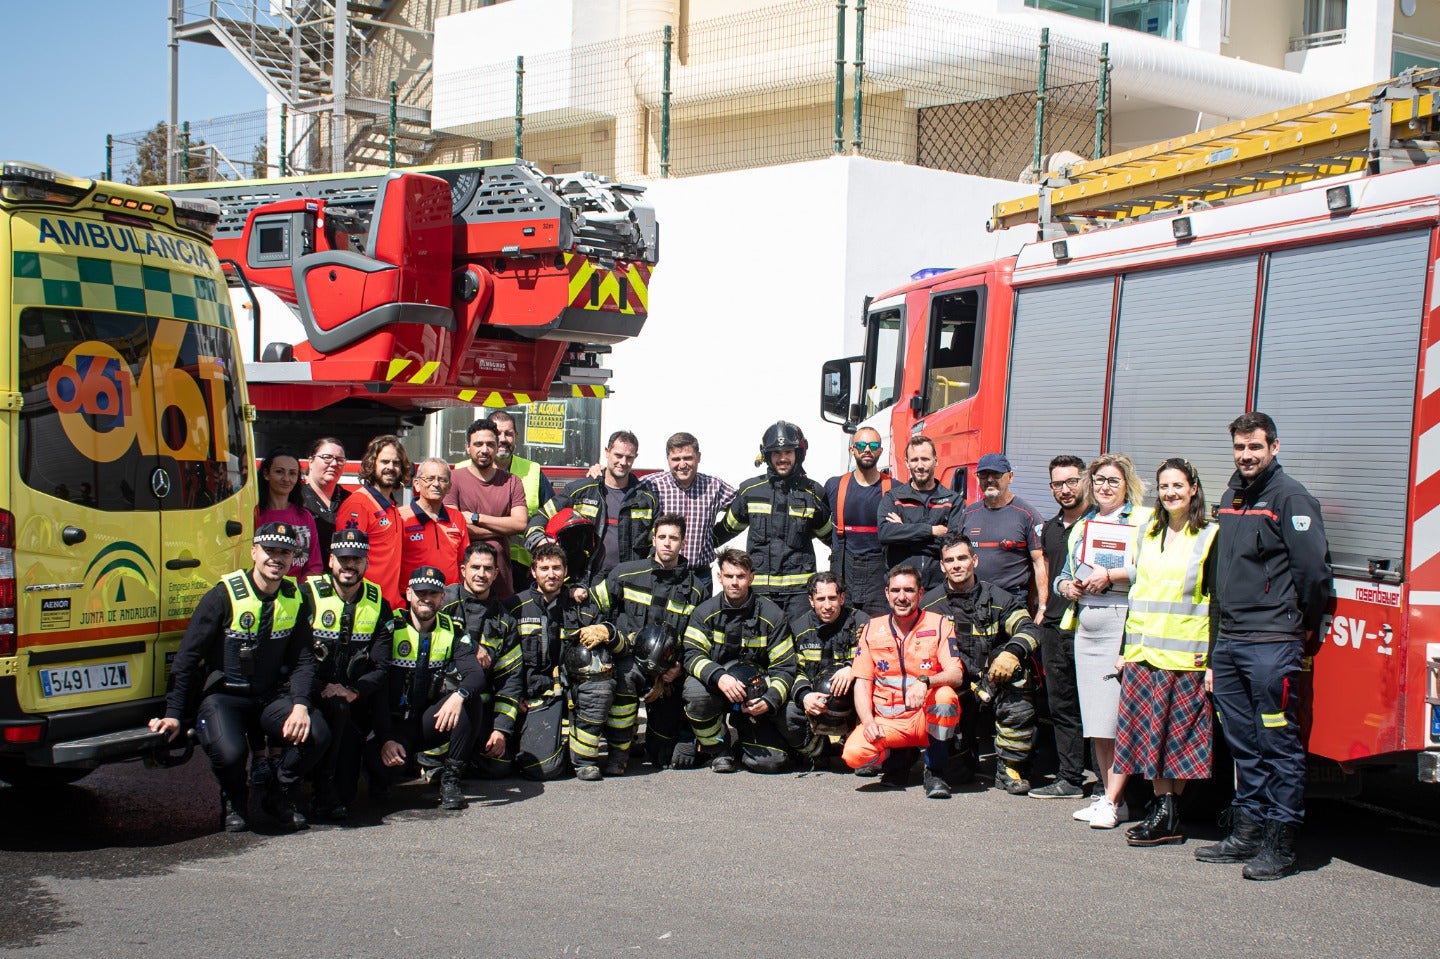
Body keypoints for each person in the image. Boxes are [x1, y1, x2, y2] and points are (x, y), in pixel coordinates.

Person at [1198, 412, 1330, 881]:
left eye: (1255, 447)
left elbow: (1313, 573)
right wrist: (1215, 646)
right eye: (1239, 447)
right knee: (1242, 743)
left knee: (1277, 743)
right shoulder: (1233, 496)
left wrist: (1301, 625)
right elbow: (1217, 578)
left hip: (1272, 643)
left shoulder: (1289, 497)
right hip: (1231, 643)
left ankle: (1281, 841)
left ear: (1274, 447)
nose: (1246, 456)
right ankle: (1248, 831)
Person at [149, 522, 329, 832]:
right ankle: (235, 798)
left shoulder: (294, 597)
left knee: (316, 733)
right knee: (230, 754)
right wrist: (174, 714)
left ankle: (276, 793)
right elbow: (188, 658)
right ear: (254, 552)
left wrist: (300, 705)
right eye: (270, 551)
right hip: (225, 696)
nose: (277, 559)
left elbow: (303, 660)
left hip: (269, 696)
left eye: (285, 553)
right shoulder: (223, 595)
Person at [1109, 458, 1218, 847]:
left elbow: (1218, 602)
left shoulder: (1209, 536)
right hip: (1143, 654)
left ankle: (1168, 812)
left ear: (1193, 488)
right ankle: (1165, 809)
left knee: (1179, 739)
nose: (1170, 493)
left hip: (1186, 657)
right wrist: (1124, 648)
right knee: (1149, 736)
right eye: (1164, 486)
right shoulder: (1148, 533)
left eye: (1178, 486)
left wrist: (1214, 661)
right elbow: (1139, 596)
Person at [1055, 453, 1150, 829]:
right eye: (1098, 481)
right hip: (1087, 625)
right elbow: (1064, 574)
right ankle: (1111, 798)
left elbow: (1151, 569)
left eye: (1113, 480)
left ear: (1127, 484)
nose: (1105, 487)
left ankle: (1112, 800)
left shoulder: (1142, 521)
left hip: (1119, 621)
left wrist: (1110, 576)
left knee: (1115, 719)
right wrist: (1070, 587)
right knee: (1096, 722)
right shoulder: (1085, 524)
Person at [922, 532, 1042, 794]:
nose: (957, 565)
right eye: (950, 560)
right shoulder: (930, 606)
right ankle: (942, 764)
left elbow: (1030, 629)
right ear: (942, 566)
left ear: (974, 560)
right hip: (956, 688)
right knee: (959, 773)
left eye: (962, 558)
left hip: (993, 682)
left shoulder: (999, 599)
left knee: (1020, 677)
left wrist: (1011, 653)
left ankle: (1010, 768)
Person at [589, 513, 704, 771]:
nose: (667, 543)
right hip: (630, 661)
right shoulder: (626, 573)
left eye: (673, 538)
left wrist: (680, 667)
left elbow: (698, 637)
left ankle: (668, 738)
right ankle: (619, 753)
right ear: (653, 539)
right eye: (662, 537)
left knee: (663, 755)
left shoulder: (696, 588)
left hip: (670, 671)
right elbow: (594, 606)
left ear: (683, 543)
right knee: (625, 677)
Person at [841, 564, 964, 798]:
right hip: (889, 722)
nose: (902, 597)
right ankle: (899, 757)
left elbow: (956, 674)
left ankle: (935, 771)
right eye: (895, 590)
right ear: (886, 593)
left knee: (946, 697)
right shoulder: (871, 629)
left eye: (909, 590)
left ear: (920, 593)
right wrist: (867, 722)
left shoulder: (939, 625)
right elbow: (862, 682)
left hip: (923, 720)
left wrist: (926, 681)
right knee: (854, 755)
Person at [504, 542, 620, 781]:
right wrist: (514, 697)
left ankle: (585, 760)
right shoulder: (516, 607)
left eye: (556, 568)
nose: (551, 574)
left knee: (602, 684)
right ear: (533, 571)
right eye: (544, 568)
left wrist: (605, 630)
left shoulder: (582, 606)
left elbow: (611, 638)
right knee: (545, 769)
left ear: (565, 571)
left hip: (575, 690)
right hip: (536, 694)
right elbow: (506, 660)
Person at [301, 528, 394, 821]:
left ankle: (334, 786)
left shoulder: (380, 604)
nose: (349, 566)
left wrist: (353, 691)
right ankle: (296, 787)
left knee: (347, 796)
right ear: (331, 561)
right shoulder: (306, 595)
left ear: (366, 563)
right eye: (343, 559)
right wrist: (319, 688)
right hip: (309, 692)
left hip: (352, 698)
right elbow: (292, 658)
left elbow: (381, 668)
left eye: (356, 559)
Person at [375, 566, 485, 811]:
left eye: (433, 593)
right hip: (388, 725)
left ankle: (451, 780)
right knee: (382, 778)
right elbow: (376, 687)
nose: (426, 598)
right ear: (409, 594)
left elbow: (475, 674)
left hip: (424, 722)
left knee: (470, 700)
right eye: (420, 592)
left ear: (442, 598)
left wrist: (459, 695)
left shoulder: (451, 629)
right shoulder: (390, 626)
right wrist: (385, 738)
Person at [680, 548, 796, 773]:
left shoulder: (773, 616)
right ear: (719, 576)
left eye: (741, 576)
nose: (735, 582)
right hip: (717, 688)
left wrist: (770, 701)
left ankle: (743, 745)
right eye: (730, 576)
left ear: (751, 577)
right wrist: (718, 676)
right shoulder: (704, 613)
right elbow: (691, 654)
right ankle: (718, 748)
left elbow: (785, 667)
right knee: (695, 693)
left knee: (771, 763)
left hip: (756, 698)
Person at [714, 421, 833, 625]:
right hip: (760, 592)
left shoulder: (813, 493)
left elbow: (832, 538)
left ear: (798, 454)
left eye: (788, 451)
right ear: (767, 456)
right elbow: (724, 531)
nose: (783, 458)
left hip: (799, 595)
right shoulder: (751, 492)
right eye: (776, 453)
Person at [1030, 454, 1093, 801]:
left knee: (1097, 707)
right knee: (1063, 706)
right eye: (1058, 483)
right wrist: (1041, 611)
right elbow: (1046, 572)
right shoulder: (1051, 529)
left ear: (1084, 481)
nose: (1065, 490)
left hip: (1093, 629)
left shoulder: (1101, 524)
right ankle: (1070, 778)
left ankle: (1105, 783)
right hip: (1055, 626)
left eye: (1072, 481)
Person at [526, 430, 658, 582]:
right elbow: (540, 516)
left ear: (635, 457)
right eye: (618, 455)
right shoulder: (582, 490)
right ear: (607, 452)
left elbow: (655, 544)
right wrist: (540, 543)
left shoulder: (646, 500)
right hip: (584, 585)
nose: (623, 462)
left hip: (627, 587)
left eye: (629, 458)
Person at [443, 543, 524, 778]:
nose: (481, 574)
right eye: (475, 567)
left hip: (479, 706)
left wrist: (501, 730)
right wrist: (469, 643)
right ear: (463, 570)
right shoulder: (443, 601)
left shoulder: (505, 620)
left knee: (499, 768)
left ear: (496, 573)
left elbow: (511, 679)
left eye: (488, 569)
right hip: (441, 700)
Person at [783, 572, 869, 764]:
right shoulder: (798, 629)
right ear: (811, 601)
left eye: (832, 598)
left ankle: (854, 742)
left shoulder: (863, 623)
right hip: (816, 704)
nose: (827, 606)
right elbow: (793, 670)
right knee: (789, 713)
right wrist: (804, 695)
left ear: (842, 598)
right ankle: (819, 750)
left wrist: (852, 668)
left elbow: (880, 661)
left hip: (855, 703)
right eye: (820, 599)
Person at [639, 431, 737, 595]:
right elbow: (619, 489)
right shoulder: (651, 485)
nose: (682, 464)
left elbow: (744, 506)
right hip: (661, 574)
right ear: (668, 459)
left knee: (700, 620)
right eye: (676, 459)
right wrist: (598, 472)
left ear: (698, 457)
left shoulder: (714, 486)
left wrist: (717, 536)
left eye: (688, 458)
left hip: (699, 576)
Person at [445, 418, 527, 600]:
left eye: (490, 444)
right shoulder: (453, 480)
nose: (484, 450)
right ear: (468, 447)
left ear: (497, 447)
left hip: (502, 580)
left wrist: (476, 517)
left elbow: (520, 524)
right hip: (460, 581)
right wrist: (501, 531)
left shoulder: (512, 482)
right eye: (478, 444)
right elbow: (454, 528)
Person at [956, 452, 1047, 613]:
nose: (989, 480)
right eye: (983, 474)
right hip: (972, 599)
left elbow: (1040, 563)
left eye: (996, 474)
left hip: (1012, 601)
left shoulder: (1027, 514)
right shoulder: (968, 514)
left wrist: (1042, 607)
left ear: (1010, 477)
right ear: (977, 479)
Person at [337, 435, 411, 609]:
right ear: (372, 463)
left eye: (396, 463)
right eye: (384, 462)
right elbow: (346, 560)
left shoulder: (392, 508)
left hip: (390, 606)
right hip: (364, 607)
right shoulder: (358, 505)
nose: (391, 467)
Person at [824, 427, 892, 616]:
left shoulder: (895, 490)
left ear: (880, 450)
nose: (867, 449)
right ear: (852, 449)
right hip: (845, 572)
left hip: (880, 577)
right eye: (861, 445)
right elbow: (819, 525)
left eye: (873, 445)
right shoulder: (834, 486)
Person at [878, 435, 958, 591]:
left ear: (936, 460)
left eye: (925, 459)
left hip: (939, 589)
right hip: (901, 589)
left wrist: (903, 533)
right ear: (907, 463)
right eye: (914, 460)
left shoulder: (952, 500)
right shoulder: (893, 498)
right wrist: (931, 531)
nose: (920, 465)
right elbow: (885, 534)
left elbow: (952, 546)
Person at [490, 409, 556, 591]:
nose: (503, 439)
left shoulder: (533, 471)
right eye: (497, 433)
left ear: (516, 436)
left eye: (509, 434)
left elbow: (552, 518)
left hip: (524, 571)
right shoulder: (464, 471)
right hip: (481, 568)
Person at [400, 457, 468, 594]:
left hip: (449, 598)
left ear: (449, 487)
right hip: (414, 598)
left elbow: (463, 562)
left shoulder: (457, 518)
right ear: (417, 484)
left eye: (442, 480)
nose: (436, 484)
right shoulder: (401, 517)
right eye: (430, 479)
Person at [256, 448, 322, 581]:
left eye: (292, 473)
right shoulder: (255, 514)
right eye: (279, 472)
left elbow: (314, 566)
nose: (286, 479)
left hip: (297, 595)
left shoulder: (305, 517)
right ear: (266, 474)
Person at [301, 437, 351, 566]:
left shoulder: (350, 501)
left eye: (340, 460)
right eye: (327, 457)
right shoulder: (296, 497)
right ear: (311, 461)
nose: (334, 464)